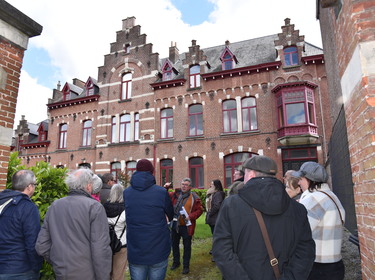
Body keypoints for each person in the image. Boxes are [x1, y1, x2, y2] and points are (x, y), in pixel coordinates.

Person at [213, 155, 315, 279]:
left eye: (244, 174)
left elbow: (222, 251)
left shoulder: (231, 205)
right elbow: (305, 252)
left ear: (250, 175)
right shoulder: (298, 209)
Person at [36, 168, 112, 280]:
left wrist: (58, 261)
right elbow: (100, 249)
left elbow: (41, 245)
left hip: (61, 271)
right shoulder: (94, 207)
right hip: (87, 273)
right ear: (89, 186)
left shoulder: (55, 206)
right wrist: (103, 277)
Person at [293, 162, 345, 280]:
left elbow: (296, 232)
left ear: (310, 180)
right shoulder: (331, 195)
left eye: (301, 179)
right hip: (334, 264)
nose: (299, 182)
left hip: (318, 267)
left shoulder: (313, 199)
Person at [124, 159, 174, 280]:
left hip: (136, 249)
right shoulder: (161, 192)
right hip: (158, 248)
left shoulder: (127, 193)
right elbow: (171, 214)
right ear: (152, 172)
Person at [0, 170, 43, 280]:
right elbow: (32, 242)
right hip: (19, 270)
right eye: (34, 185)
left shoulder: (3, 201)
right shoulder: (28, 208)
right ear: (29, 187)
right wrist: (36, 267)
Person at [168, 178, 203, 274]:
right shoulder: (176, 194)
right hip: (175, 223)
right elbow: (166, 196)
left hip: (187, 225)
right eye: (182, 184)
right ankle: (176, 263)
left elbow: (200, 210)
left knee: (187, 246)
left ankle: (186, 266)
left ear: (190, 187)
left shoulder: (194, 197)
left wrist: (191, 216)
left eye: (186, 185)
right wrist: (166, 187)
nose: (183, 186)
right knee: (174, 244)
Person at [104, 184, 127, 280]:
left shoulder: (103, 207)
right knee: (118, 275)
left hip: (106, 244)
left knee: (106, 274)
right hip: (121, 244)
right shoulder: (126, 209)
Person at [205, 179, 225, 259]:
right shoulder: (213, 194)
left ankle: (217, 254)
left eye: (212, 184)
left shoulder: (218, 194)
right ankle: (215, 250)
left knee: (216, 237)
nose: (211, 186)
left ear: (216, 186)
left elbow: (217, 206)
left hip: (215, 219)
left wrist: (210, 213)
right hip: (213, 219)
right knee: (215, 235)